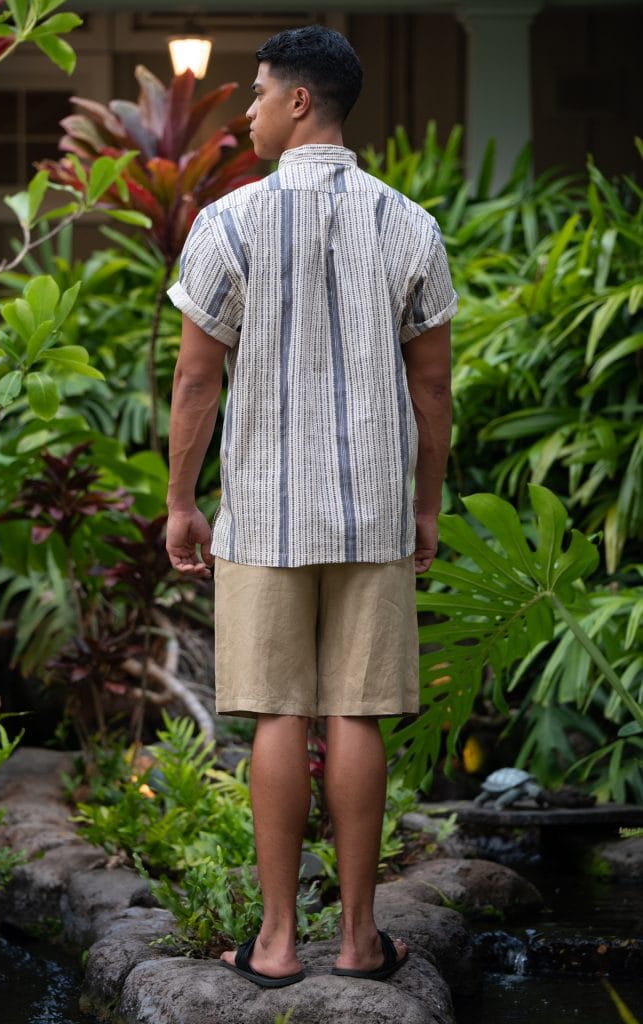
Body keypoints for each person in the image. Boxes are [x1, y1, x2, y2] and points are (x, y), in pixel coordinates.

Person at [166, 25, 456, 988]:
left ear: (299, 103)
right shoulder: (408, 223)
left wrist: (180, 503)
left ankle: (278, 944)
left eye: (254, 94)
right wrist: (426, 506)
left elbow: (196, 385)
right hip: (373, 510)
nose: (244, 110)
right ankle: (362, 942)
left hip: (262, 512)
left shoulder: (228, 224)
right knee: (360, 714)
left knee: (279, 716)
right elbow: (432, 391)